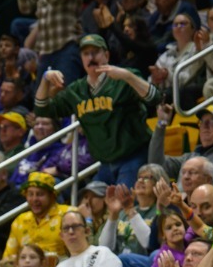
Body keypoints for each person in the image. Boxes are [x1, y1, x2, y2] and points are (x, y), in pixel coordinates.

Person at [33, 35, 161, 188]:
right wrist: (45, 79)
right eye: (86, 54)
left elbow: (155, 98)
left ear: (106, 55)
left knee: (123, 203)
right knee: (89, 205)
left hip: (134, 156)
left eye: (95, 52)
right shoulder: (76, 90)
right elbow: (41, 109)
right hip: (105, 163)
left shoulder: (124, 78)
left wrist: (128, 77)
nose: (91, 57)